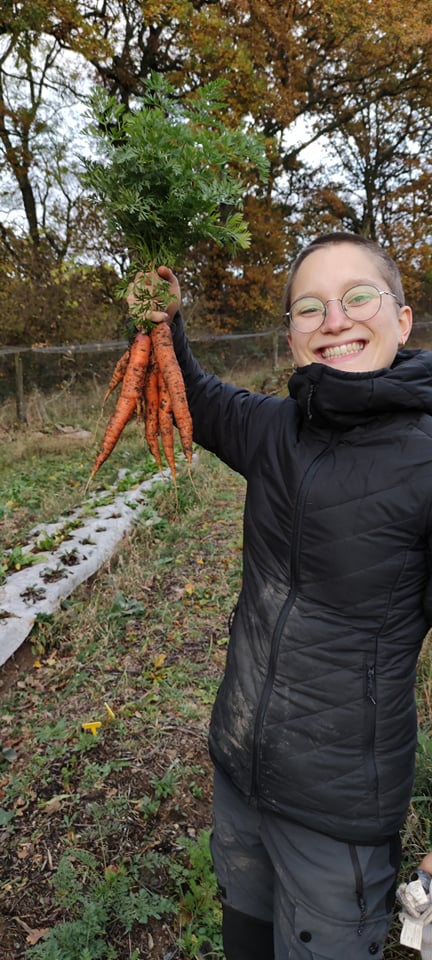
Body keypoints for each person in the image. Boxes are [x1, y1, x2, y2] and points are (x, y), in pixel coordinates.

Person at [129, 232, 432, 960]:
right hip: (240, 776)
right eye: (309, 307)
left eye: (358, 297)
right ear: (291, 334)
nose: (334, 319)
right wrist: (159, 319)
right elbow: (195, 399)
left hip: (338, 825)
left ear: (403, 318)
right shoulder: (275, 431)